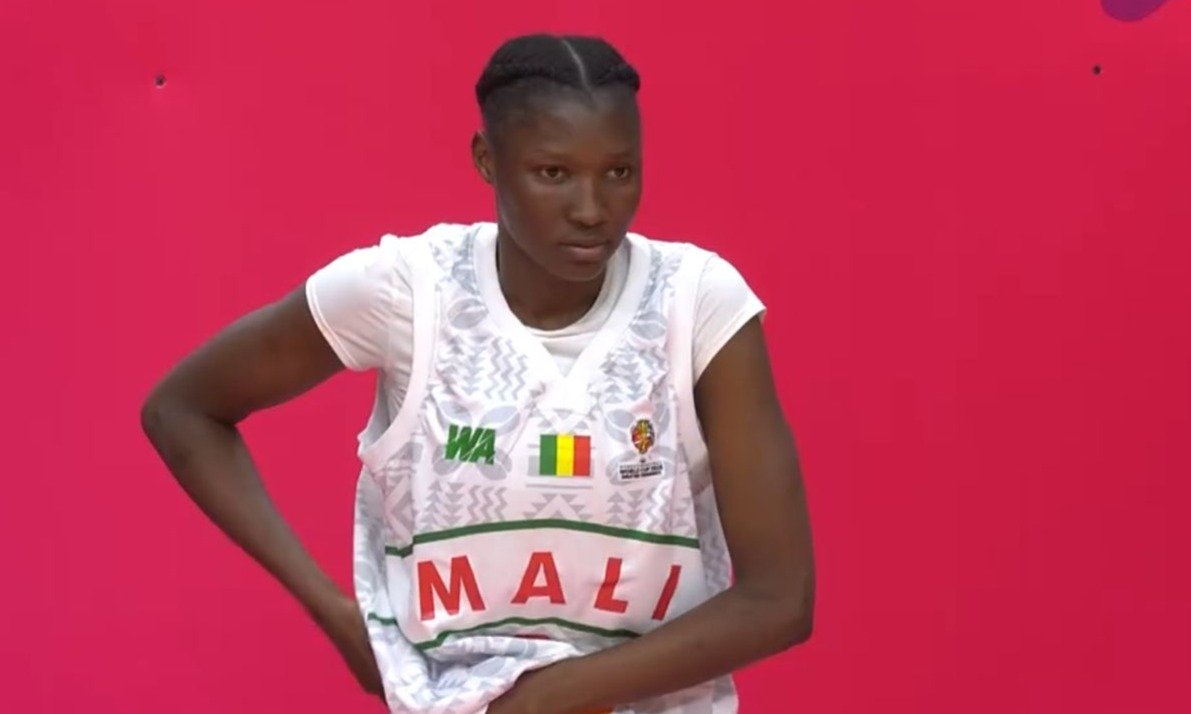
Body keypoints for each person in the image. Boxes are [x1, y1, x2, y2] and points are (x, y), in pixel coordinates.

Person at [141, 33, 814, 714]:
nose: (591, 208)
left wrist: (537, 702)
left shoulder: (697, 301)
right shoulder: (408, 292)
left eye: (618, 171)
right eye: (553, 173)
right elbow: (182, 409)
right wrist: (339, 614)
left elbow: (780, 599)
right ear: (487, 160)